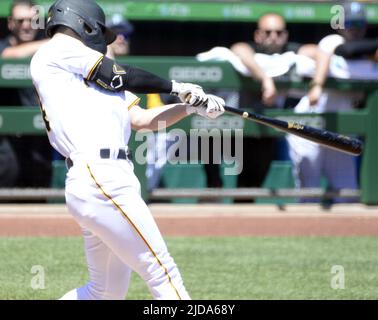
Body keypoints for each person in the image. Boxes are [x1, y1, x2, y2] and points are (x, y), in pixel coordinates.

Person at [31, 0, 225, 300]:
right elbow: (117, 72)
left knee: (105, 292)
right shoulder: (56, 50)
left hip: (107, 178)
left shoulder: (89, 79)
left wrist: (190, 106)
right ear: (83, 23)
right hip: (99, 176)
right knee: (163, 273)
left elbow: (144, 120)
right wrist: (176, 86)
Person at [229, 13, 330, 195]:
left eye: (278, 32)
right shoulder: (251, 49)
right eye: (267, 32)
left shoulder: (290, 51)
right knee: (236, 177)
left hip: (269, 126)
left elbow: (321, 51)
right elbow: (239, 48)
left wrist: (317, 85)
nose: (273, 37)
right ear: (258, 35)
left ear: (285, 35)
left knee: (256, 180)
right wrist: (265, 79)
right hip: (240, 126)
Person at [286, 1, 374, 203]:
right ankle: (306, 233)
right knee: (310, 192)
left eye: (358, 24)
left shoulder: (367, 59)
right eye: (349, 23)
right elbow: (318, 51)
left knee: (348, 192)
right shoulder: (331, 43)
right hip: (309, 125)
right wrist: (317, 84)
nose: (353, 29)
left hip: (341, 129)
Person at [0, 0, 51, 189]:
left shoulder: (50, 52)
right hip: (8, 137)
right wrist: (51, 42)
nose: (27, 26)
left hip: (41, 135)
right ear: (10, 23)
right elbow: (8, 55)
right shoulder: (5, 46)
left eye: (32, 20)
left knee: (40, 187)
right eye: (21, 21)